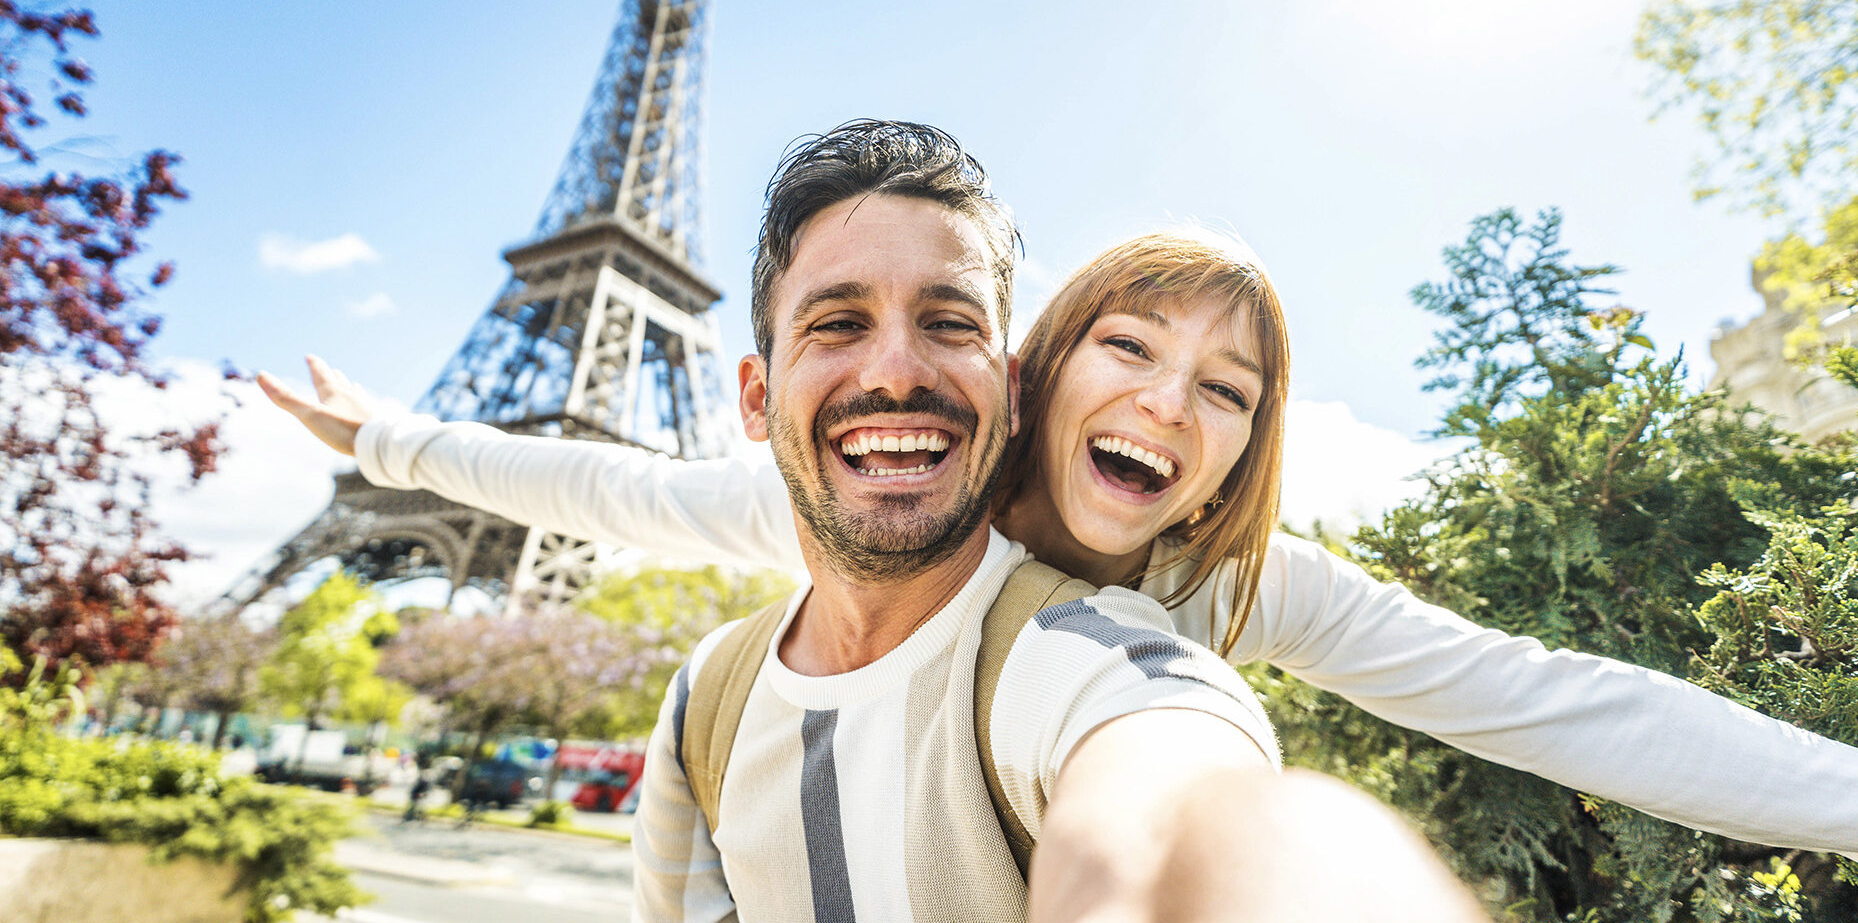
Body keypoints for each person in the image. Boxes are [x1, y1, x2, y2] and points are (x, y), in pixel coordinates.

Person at [264, 120, 1492, 922]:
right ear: (754, 395)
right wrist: (390, 443)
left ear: (1010, 388)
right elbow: (602, 485)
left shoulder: (1113, 652)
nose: (895, 370)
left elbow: (1186, 794)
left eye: (950, 321)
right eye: (838, 321)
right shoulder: (713, 695)